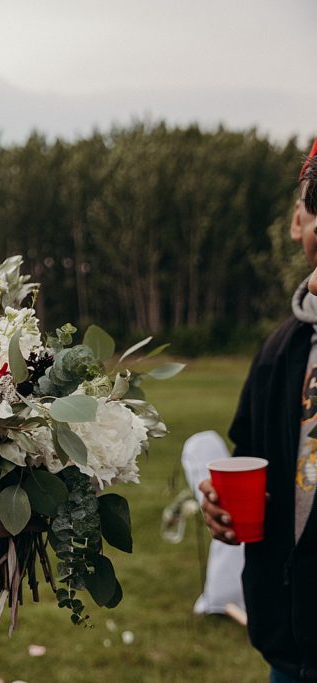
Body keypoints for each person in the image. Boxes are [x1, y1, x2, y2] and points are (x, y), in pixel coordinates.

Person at [201, 142, 317, 683]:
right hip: (287, 647)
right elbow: (250, 464)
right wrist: (219, 510)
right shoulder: (276, 351)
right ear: (299, 220)